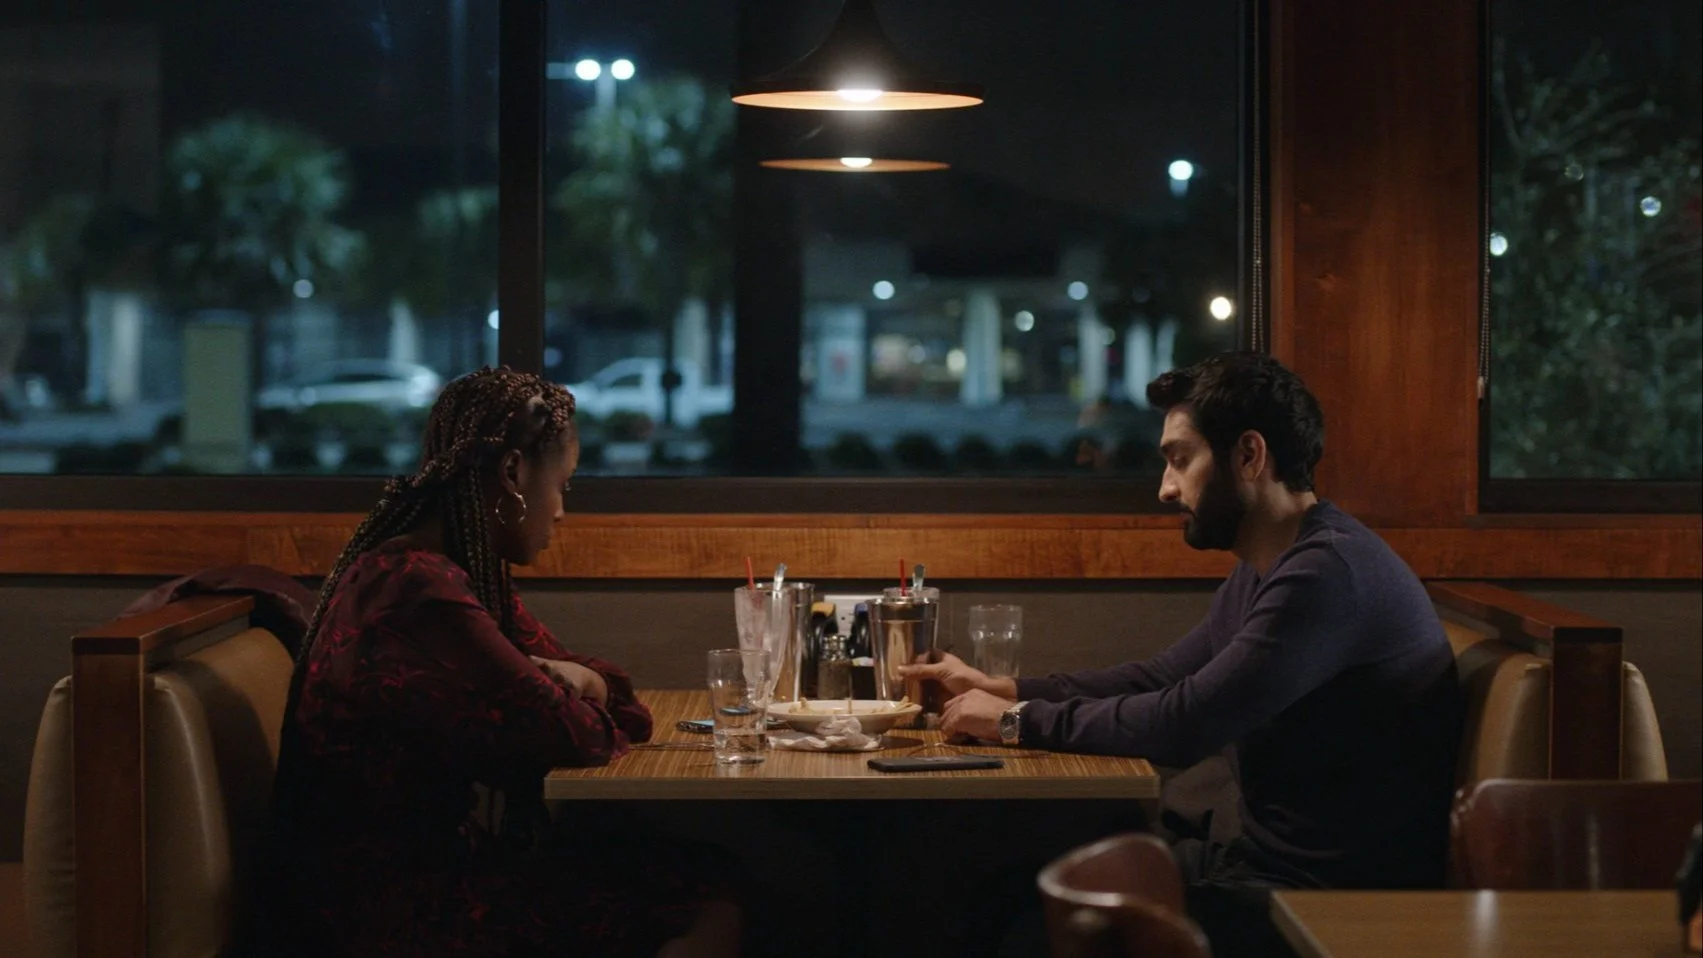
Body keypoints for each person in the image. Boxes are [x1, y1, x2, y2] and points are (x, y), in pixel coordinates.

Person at [903, 352, 1463, 956]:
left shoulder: (1327, 575)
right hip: (1258, 867)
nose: (1166, 488)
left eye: (1180, 459)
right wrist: (1005, 689)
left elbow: (1186, 722)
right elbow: (1163, 676)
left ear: (1249, 456)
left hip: (1326, 905)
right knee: (1002, 896)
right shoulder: (1274, 565)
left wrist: (1016, 722)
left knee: (1030, 936)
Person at [259, 367, 739, 958]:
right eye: (562, 485)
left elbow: (612, 696)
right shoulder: (418, 592)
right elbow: (579, 735)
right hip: (382, 909)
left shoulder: (455, 574)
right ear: (513, 473)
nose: (561, 511)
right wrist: (585, 690)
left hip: (420, 875)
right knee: (705, 893)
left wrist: (587, 681)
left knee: (694, 870)